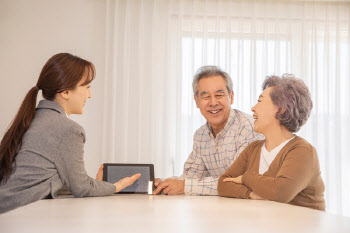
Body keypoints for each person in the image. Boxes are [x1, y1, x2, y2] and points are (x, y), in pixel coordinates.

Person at [0, 53, 140, 213]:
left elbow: (52, 182)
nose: (89, 95)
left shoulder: (32, 119)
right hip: (15, 217)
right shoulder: (68, 129)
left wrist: (95, 186)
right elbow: (81, 188)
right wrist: (117, 186)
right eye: (86, 87)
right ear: (65, 92)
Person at [217, 74, 325, 211]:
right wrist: (250, 194)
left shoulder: (303, 151)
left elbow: (279, 192)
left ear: (282, 108)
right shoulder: (253, 149)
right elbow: (223, 184)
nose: (253, 108)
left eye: (260, 101)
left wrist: (246, 177)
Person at [153, 66, 262, 195]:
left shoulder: (249, 129)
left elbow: (236, 181)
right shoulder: (201, 135)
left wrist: (184, 186)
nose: (213, 102)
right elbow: (192, 177)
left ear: (231, 97)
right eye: (206, 97)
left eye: (219, 95)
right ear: (197, 101)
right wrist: (164, 183)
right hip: (220, 207)